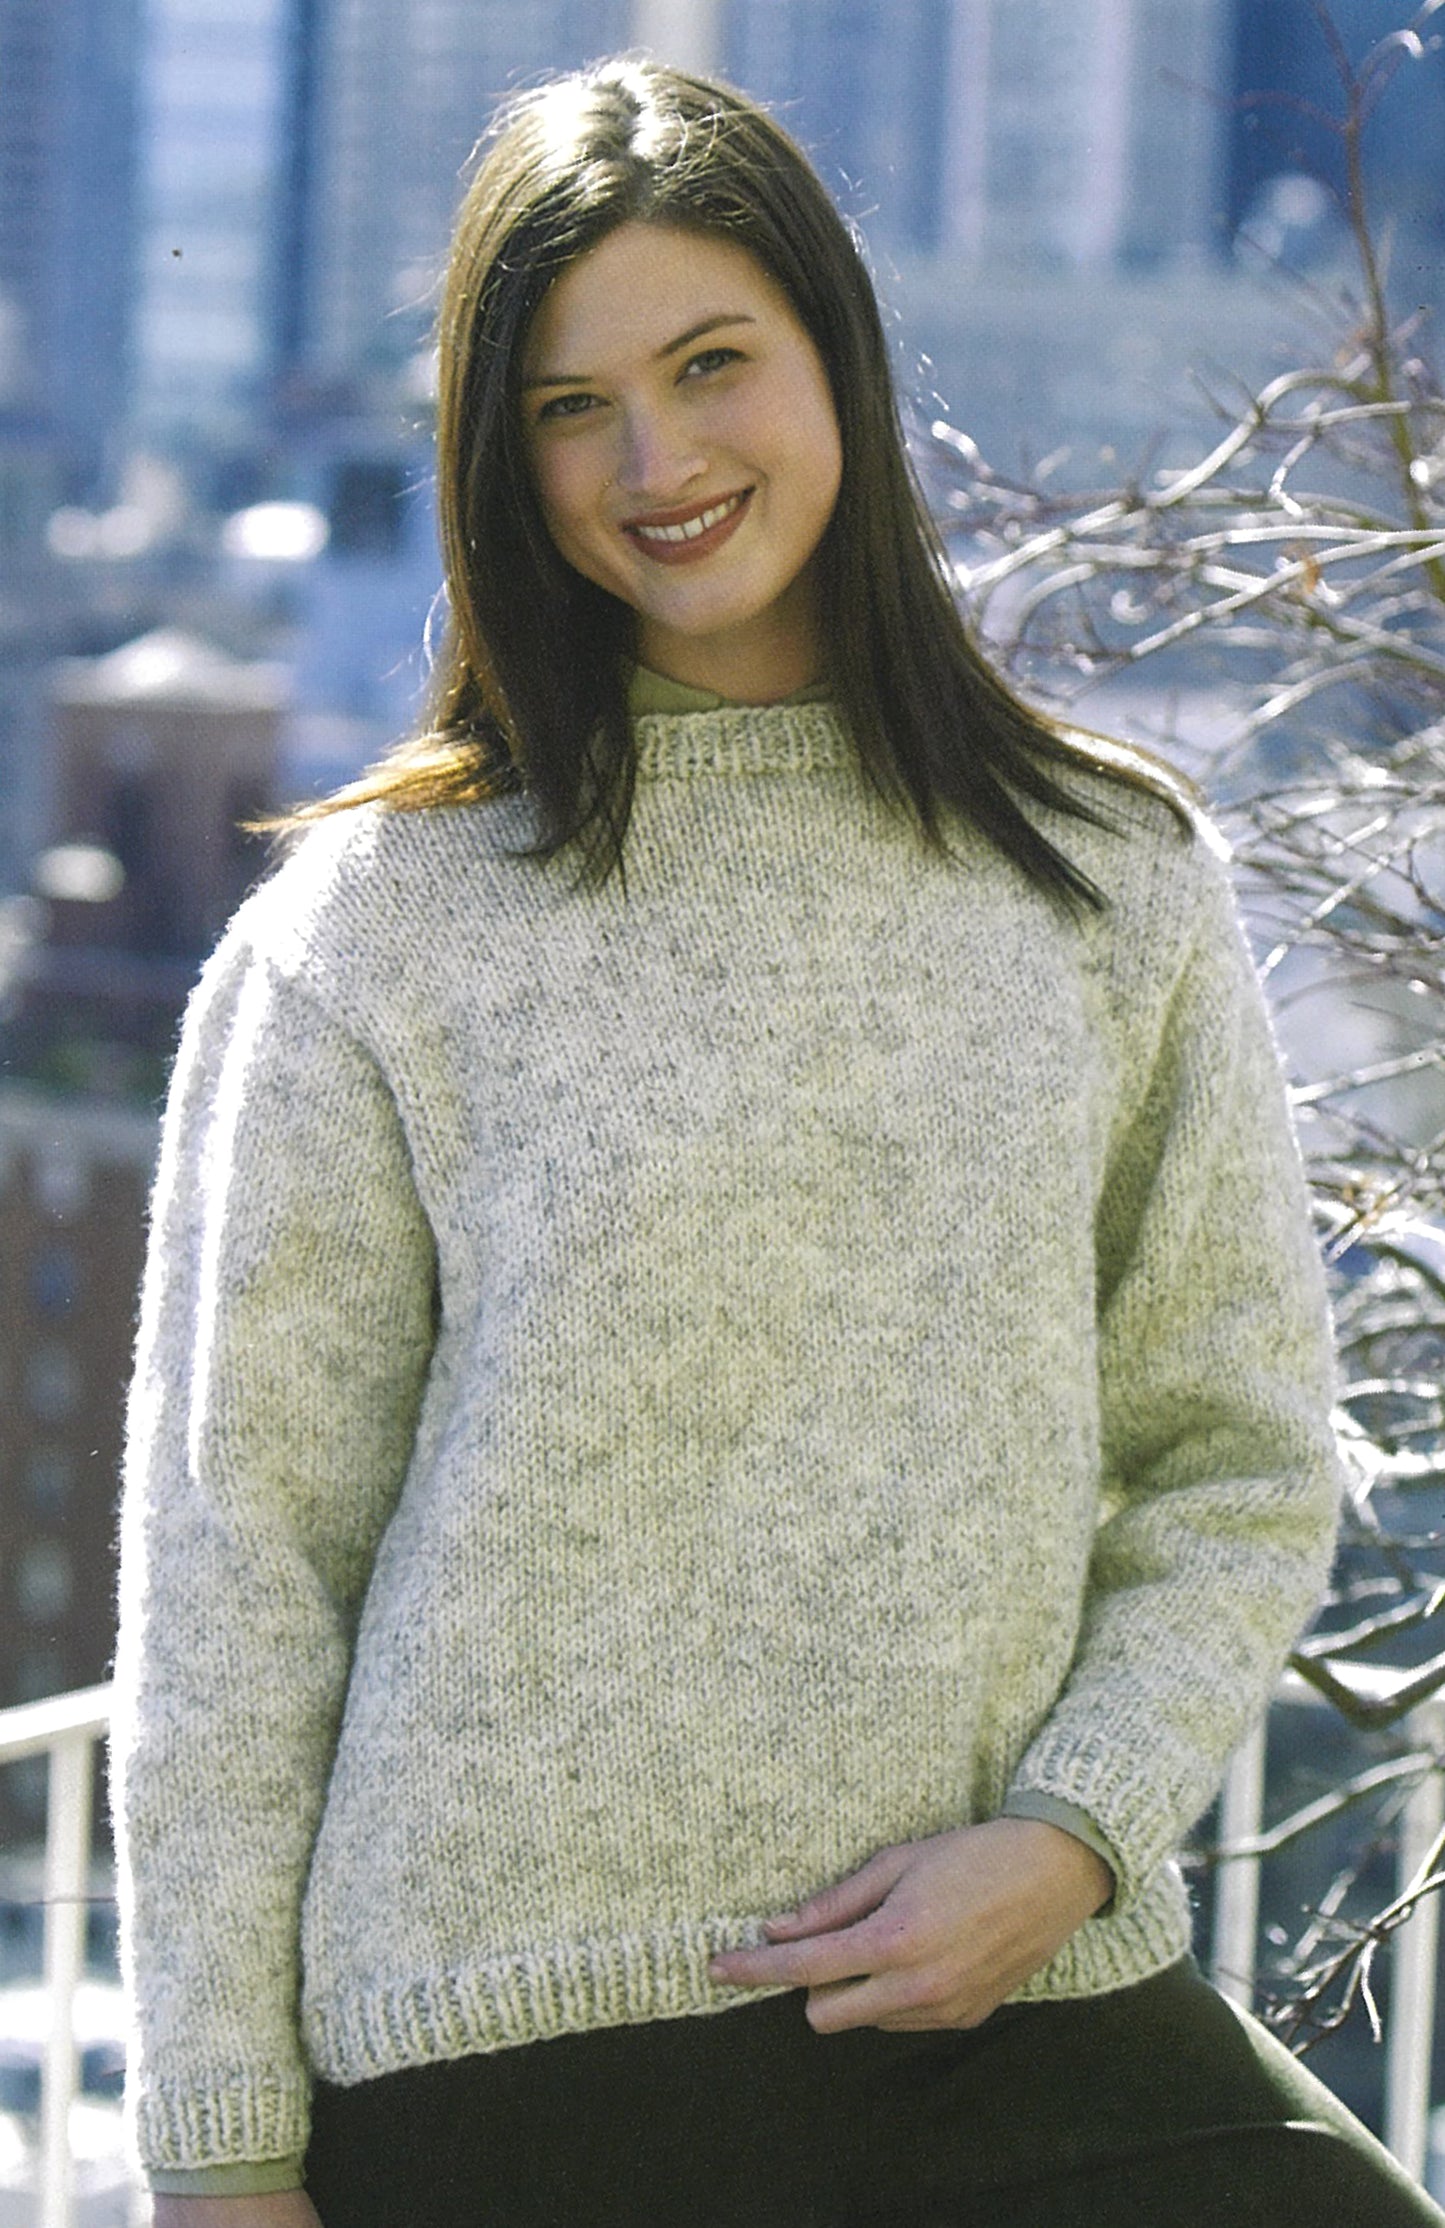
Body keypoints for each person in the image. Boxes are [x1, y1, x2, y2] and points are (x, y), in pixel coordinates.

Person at [111, 54, 1445, 2228]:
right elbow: (236, 1589)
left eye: (712, 360)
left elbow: (1238, 1455)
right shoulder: (370, 941)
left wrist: (1080, 1831)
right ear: (497, 455)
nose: (657, 460)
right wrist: (221, 2161)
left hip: (1015, 1999)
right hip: (510, 2049)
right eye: (569, 404)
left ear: (838, 349)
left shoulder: (1110, 876)